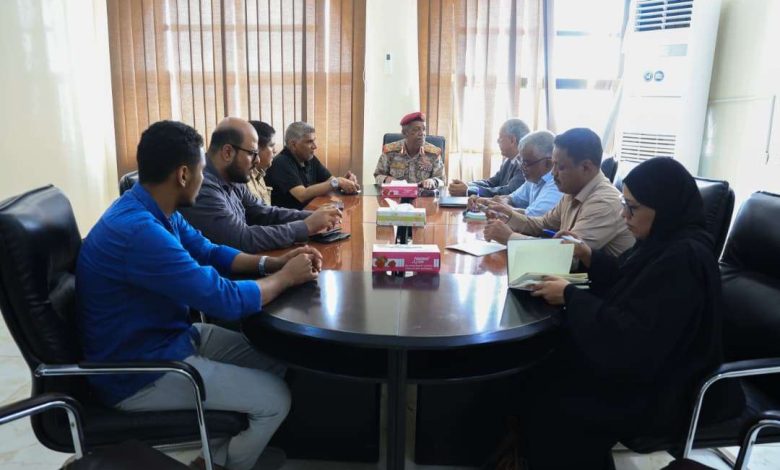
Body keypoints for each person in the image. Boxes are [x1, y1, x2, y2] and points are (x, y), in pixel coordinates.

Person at [76, 120, 322, 470]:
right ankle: (224, 463)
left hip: (173, 337)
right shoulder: (139, 232)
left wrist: (273, 263)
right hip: (140, 374)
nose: (204, 177)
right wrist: (285, 278)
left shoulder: (157, 209)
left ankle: (213, 455)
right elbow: (222, 299)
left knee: (275, 358)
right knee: (275, 400)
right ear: (182, 174)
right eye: (200, 169)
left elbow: (210, 251)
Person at [500, 157, 730, 469]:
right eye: (624, 204)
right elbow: (627, 279)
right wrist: (589, 256)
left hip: (666, 387)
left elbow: (633, 338)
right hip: (641, 365)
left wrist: (569, 295)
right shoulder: (662, 241)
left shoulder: (683, 259)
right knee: (539, 368)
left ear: (664, 208)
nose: (624, 215)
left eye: (632, 208)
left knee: (552, 395)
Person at [180, 117, 341, 252]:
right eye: (252, 153)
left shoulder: (232, 176)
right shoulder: (202, 186)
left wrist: (314, 216)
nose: (257, 160)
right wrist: (305, 227)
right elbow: (242, 238)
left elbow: (263, 212)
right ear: (228, 152)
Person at [483, 128, 634, 258]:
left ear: (586, 167)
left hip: (596, 282)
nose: (553, 173)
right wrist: (507, 214)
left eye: (560, 167)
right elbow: (541, 224)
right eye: (553, 164)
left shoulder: (603, 203)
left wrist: (510, 237)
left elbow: (564, 254)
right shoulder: (572, 191)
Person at [265, 121, 360, 210]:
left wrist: (345, 184)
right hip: (291, 218)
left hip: (310, 212)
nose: (315, 146)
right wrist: (338, 182)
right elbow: (302, 195)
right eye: (309, 142)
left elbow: (330, 181)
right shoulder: (281, 162)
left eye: (314, 141)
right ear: (293, 145)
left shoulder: (309, 158)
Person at [468, 130, 561, 217]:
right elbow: (512, 198)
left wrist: (499, 207)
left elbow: (531, 217)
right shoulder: (534, 179)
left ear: (548, 163)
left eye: (526, 163)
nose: (522, 167)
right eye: (520, 161)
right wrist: (483, 201)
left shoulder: (557, 185)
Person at [449, 119, 529, 197]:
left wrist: (469, 190)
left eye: (500, 138)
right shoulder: (508, 161)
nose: (497, 141)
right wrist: (467, 185)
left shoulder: (525, 165)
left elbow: (507, 192)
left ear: (512, 140)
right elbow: (490, 183)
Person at [373, 111, 445, 189]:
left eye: (424, 129)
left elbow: (442, 180)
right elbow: (378, 175)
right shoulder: (390, 151)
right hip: (397, 194)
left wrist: (433, 181)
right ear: (405, 133)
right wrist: (387, 179)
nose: (422, 133)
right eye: (416, 130)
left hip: (423, 195)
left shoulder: (433, 153)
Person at [247, 120, 275, 205]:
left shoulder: (260, 173)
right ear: (256, 148)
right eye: (271, 146)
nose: (275, 151)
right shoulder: (243, 178)